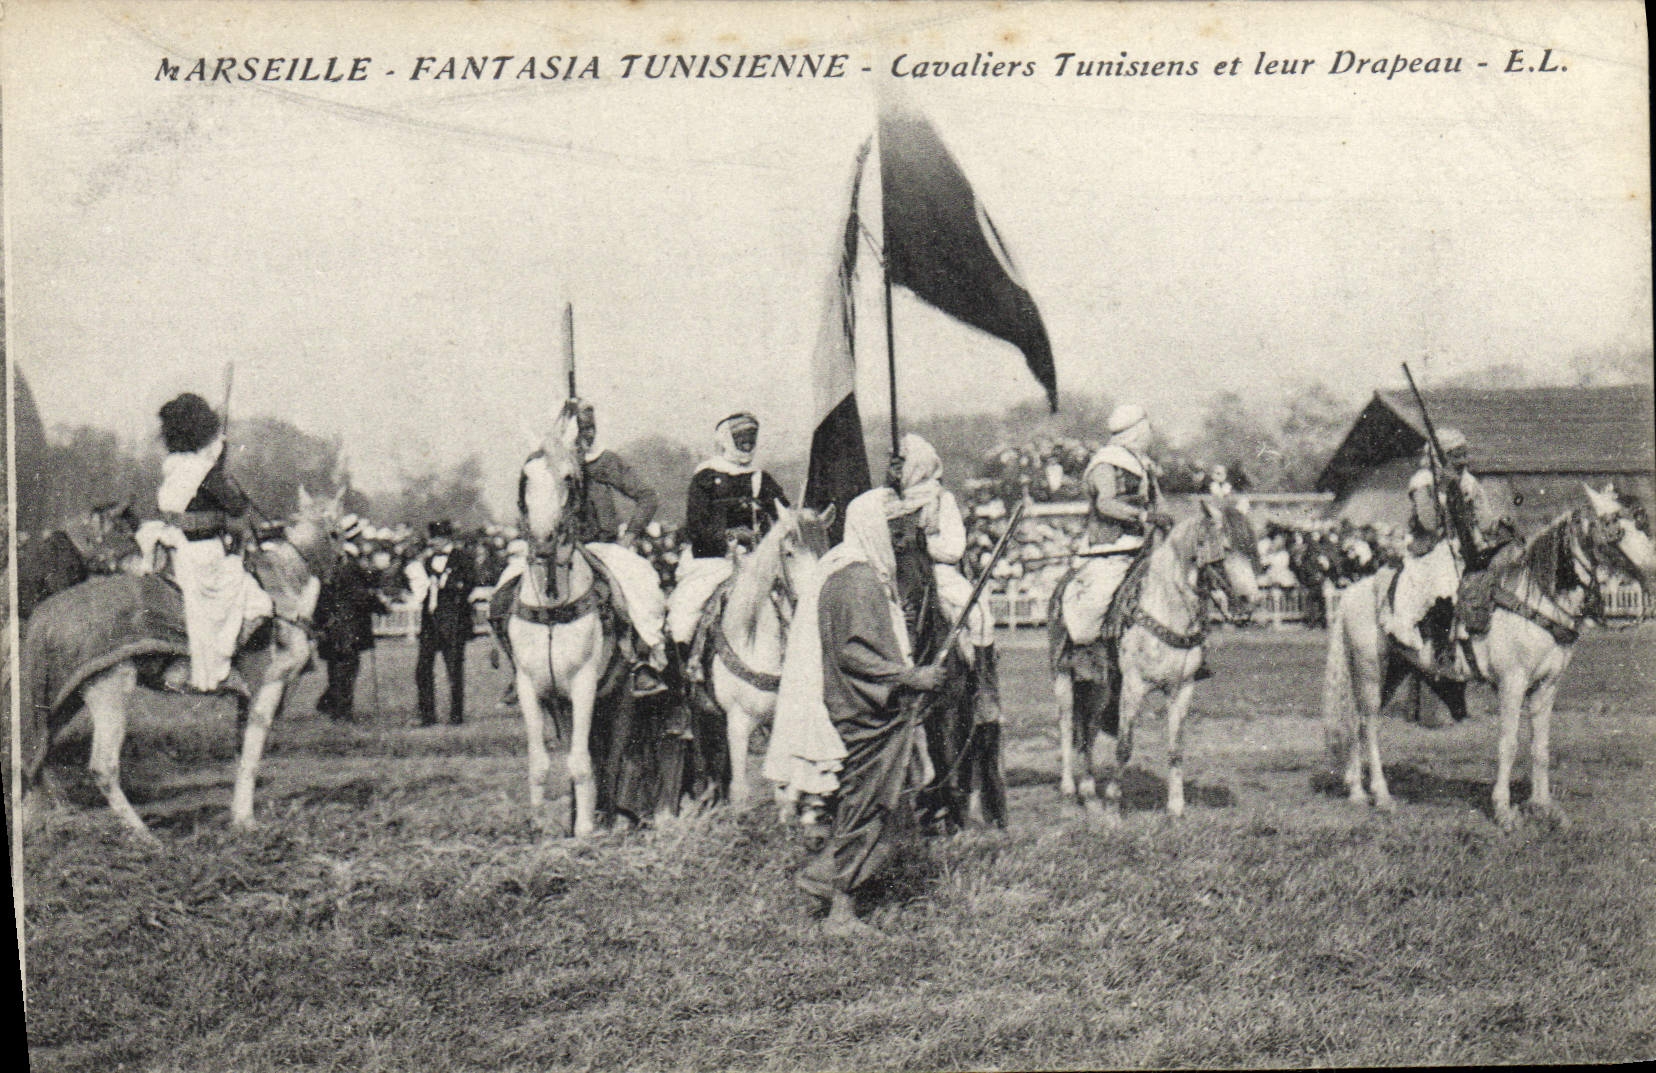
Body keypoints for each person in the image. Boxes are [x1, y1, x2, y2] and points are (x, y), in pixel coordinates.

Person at [792, 488, 945, 938]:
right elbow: (854, 654)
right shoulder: (856, 580)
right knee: (867, 807)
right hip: (864, 713)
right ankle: (839, 910)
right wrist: (910, 677)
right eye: (893, 529)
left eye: (903, 528)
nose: (902, 538)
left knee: (880, 808)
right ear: (872, 529)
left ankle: (825, 881)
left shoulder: (857, 573)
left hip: (871, 707)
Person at [150, 392, 274, 692]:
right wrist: (218, 464)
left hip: (175, 550)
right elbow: (238, 507)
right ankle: (224, 667)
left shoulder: (173, 466)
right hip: (204, 556)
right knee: (259, 603)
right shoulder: (205, 472)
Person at [1384, 428, 1509, 676]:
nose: (1463, 461)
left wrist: (1500, 527)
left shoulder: (1469, 483)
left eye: (1464, 454)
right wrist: (1444, 489)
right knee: (1447, 583)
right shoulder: (1423, 482)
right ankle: (1441, 649)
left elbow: (1485, 522)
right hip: (1432, 549)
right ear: (1441, 458)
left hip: (1465, 548)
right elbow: (1429, 523)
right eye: (1455, 456)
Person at [666, 412, 790, 658]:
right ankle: (685, 666)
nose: (747, 444)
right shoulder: (707, 476)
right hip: (712, 558)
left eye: (751, 438)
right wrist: (730, 537)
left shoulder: (760, 478)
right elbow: (696, 525)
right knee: (685, 612)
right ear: (726, 440)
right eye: (741, 438)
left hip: (757, 559)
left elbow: (783, 514)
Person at [1060, 403, 1166, 647]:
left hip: (1147, 546)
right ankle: (1089, 652)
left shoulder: (1143, 464)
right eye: (1148, 429)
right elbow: (1105, 504)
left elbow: (1159, 502)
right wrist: (1144, 517)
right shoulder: (1105, 463)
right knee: (1090, 620)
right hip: (1112, 549)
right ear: (1138, 432)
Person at [314, 514, 390, 723]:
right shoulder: (349, 563)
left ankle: (333, 706)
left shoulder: (337, 560)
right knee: (347, 668)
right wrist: (380, 606)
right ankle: (341, 711)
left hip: (334, 624)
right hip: (348, 625)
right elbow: (359, 595)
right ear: (356, 538)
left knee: (338, 668)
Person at [406, 520, 477, 725]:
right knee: (422, 669)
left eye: (436, 538)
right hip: (430, 623)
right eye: (432, 538)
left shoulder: (463, 558)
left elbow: (470, 583)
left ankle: (456, 715)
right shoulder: (427, 561)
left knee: (454, 670)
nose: (432, 542)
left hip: (453, 621)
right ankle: (427, 715)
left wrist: (449, 586)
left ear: (446, 539)